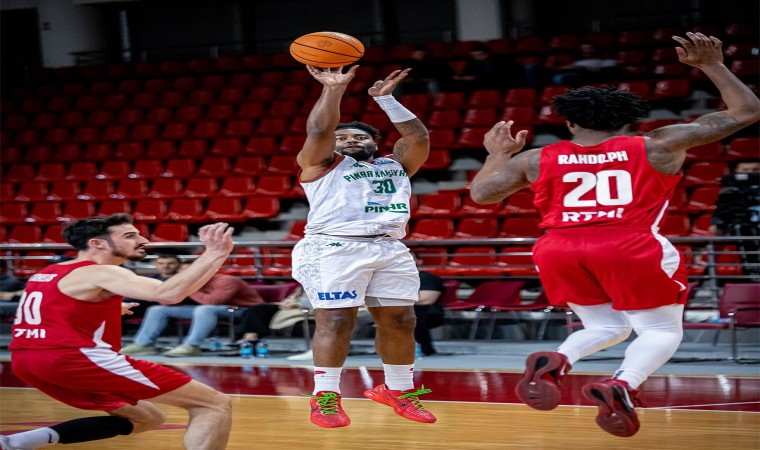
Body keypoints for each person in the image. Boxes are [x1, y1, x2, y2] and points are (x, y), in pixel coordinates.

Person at [469, 32, 760, 438]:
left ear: (569, 121)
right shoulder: (659, 144)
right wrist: (712, 64)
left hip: (559, 248)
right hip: (629, 243)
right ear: (626, 120)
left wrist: (497, 154)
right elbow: (747, 111)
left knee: (607, 327)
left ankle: (557, 362)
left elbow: (482, 195)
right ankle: (623, 384)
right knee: (660, 331)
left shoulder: (536, 158)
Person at [2, 214, 235, 450]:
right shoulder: (101, 272)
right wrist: (214, 253)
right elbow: (168, 293)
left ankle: (15, 443)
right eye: (130, 236)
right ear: (97, 243)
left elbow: (55, 308)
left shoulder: (50, 272)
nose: (143, 240)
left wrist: (109, 308)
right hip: (73, 359)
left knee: (147, 418)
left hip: (25, 361)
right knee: (213, 403)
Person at [293, 64, 436, 428]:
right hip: (333, 248)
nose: (350, 140)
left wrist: (386, 99)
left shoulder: (396, 165)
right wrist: (333, 89)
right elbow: (318, 130)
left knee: (401, 320)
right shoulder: (321, 164)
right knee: (338, 321)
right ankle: (325, 396)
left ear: (375, 143)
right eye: (342, 138)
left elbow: (419, 137)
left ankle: (398, 390)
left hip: (389, 247)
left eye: (359, 136)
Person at [121, 272, 264, 357]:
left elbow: (212, 301)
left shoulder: (226, 281)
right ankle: (143, 345)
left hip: (244, 310)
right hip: (207, 309)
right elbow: (167, 302)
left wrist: (190, 288)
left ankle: (191, 346)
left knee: (205, 309)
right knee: (158, 309)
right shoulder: (192, 283)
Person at [709, 160, 760, 276]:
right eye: (745, 170)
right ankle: (751, 275)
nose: (750, 173)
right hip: (740, 227)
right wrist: (717, 224)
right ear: (737, 171)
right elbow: (721, 210)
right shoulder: (729, 191)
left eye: (755, 170)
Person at [122, 253, 183, 319]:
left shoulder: (182, 279)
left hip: (172, 307)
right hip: (145, 306)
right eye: (161, 263)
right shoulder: (149, 279)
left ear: (179, 264)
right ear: (155, 264)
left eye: (171, 263)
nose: (165, 266)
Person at [451, 44, 526, 92]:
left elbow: (504, 74)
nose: (477, 57)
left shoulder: (502, 60)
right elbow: (468, 72)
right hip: (481, 82)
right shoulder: (473, 62)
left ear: (487, 53)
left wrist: (477, 78)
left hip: (500, 82)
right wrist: (460, 76)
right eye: (474, 56)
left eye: (480, 55)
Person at [411, 254, 446, 356]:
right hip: (390, 309)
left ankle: (424, 348)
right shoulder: (391, 279)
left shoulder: (428, 278)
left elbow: (427, 299)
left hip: (428, 312)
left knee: (413, 310)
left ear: (419, 261)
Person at [551, 41, 620, 86]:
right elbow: (569, 67)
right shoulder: (579, 61)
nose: (587, 51)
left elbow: (607, 70)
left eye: (590, 48)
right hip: (579, 74)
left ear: (596, 48)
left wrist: (582, 68)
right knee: (557, 76)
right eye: (584, 49)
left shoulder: (607, 60)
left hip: (595, 76)